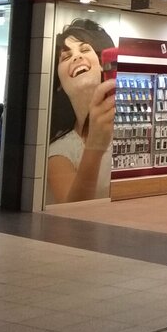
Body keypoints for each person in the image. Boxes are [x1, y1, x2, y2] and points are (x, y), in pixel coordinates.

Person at [46, 18, 116, 204]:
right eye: (65, 57)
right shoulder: (59, 151)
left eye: (84, 50)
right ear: (59, 82)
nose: (76, 57)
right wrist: (95, 146)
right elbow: (72, 209)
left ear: (101, 63)